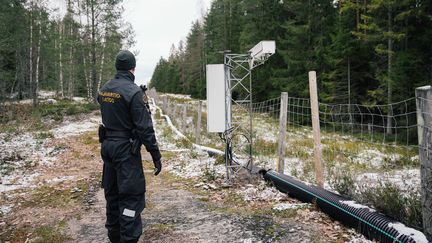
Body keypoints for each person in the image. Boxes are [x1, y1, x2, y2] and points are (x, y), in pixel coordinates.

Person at [97, 50, 162, 243]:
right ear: (133, 68)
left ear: (117, 67)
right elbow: (145, 128)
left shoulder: (104, 89)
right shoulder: (134, 92)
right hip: (125, 150)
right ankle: (128, 239)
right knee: (131, 196)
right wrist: (155, 155)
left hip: (108, 148)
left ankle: (114, 237)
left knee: (113, 194)